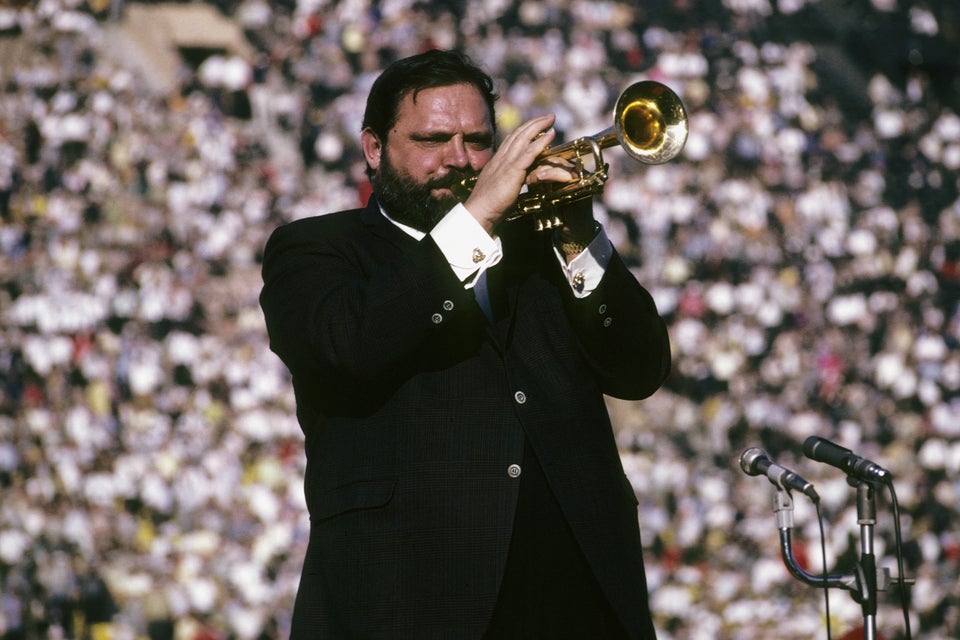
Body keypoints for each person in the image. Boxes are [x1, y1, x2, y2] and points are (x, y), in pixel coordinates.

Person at [259, 49, 671, 639]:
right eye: (433, 139)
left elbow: (640, 370)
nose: (458, 161)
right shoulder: (315, 248)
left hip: (577, 595)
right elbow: (345, 344)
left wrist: (580, 233)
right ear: (374, 148)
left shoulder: (543, 244)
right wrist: (476, 218)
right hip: (411, 597)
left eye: (478, 141)